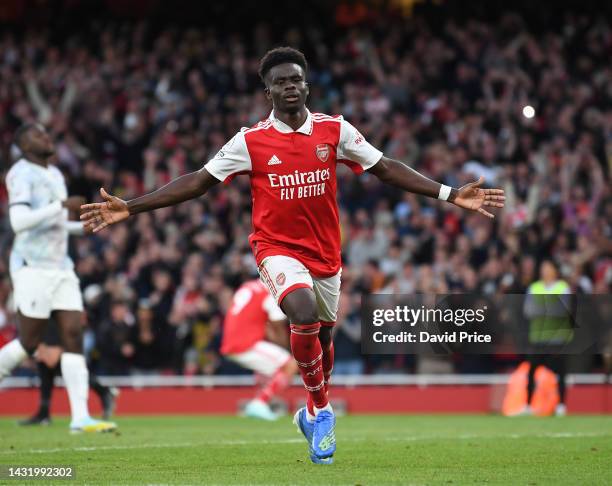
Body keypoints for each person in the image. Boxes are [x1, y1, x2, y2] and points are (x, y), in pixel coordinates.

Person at [80, 47, 505, 463]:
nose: (289, 87)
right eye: (280, 81)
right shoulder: (250, 141)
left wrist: (449, 194)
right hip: (275, 249)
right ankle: (322, 411)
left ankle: (310, 409)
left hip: (326, 255)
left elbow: (386, 167)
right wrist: (131, 206)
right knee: (300, 313)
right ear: (267, 92)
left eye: (296, 80)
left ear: (307, 86)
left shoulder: (335, 131)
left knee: (323, 339)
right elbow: (197, 182)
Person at [0, 123, 117, 433]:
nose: (46, 136)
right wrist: (60, 206)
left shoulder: (54, 175)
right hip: (31, 266)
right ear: (23, 145)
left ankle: (80, 418)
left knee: (73, 336)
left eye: (46, 132)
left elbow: (54, 226)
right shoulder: (20, 173)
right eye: (37, 134)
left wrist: (83, 227)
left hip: (61, 266)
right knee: (29, 342)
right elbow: (19, 221)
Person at [221, 279, 297, 421]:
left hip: (233, 339)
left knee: (274, 369)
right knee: (290, 365)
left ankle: (261, 403)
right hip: (246, 343)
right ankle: (259, 403)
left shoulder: (249, 286)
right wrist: (287, 350)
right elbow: (277, 325)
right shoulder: (271, 292)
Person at [18, 320, 119, 426]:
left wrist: (54, 344)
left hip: (57, 331)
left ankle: (101, 394)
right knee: (48, 367)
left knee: (63, 367)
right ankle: (44, 414)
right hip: (47, 331)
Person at [522, 260, 572, 416]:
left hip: (557, 338)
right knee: (531, 372)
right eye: (543, 268)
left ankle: (561, 405)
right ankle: (529, 405)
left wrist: (543, 308)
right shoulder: (534, 287)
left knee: (560, 372)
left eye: (548, 268)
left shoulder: (563, 287)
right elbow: (528, 310)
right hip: (538, 338)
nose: (545, 271)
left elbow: (564, 310)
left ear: (555, 270)